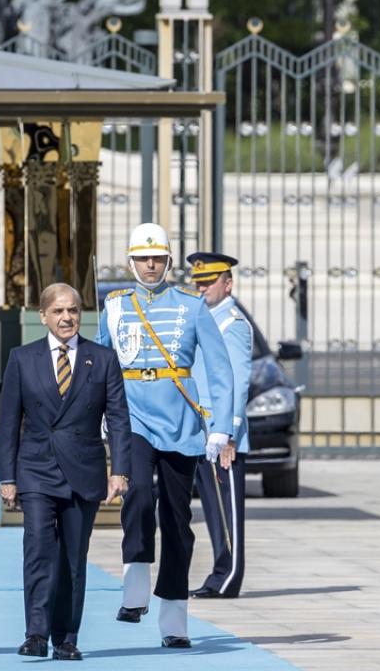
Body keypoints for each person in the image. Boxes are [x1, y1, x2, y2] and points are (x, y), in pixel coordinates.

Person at [99, 223, 233, 647]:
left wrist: (222, 427)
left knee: (177, 521)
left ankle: (174, 620)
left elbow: (220, 368)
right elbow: (100, 363)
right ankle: (135, 588)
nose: (150, 265)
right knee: (137, 495)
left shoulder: (191, 306)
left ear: (169, 261)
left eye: (157, 258)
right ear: (130, 261)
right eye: (142, 258)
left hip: (180, 421)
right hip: (132, 417)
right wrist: (98, 415)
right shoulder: (116, 306)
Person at [0, 283, 132, 660]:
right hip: (37, 469)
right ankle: (36, 634)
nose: (66, 317)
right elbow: (9, 423)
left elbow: (118, 419)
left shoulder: (102, 359)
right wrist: (7, 478)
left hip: (83, 471)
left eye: (72, 310)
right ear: (43, 316)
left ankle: (66, 637)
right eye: (57, 311)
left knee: (73, 559)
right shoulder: (22, 359)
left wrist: (119, 470)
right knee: (39, 551)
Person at [187, 252, 254, 600]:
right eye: (198, 281)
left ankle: (229, 577)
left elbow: (240, 381)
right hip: (202, 429)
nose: (202, 287)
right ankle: (219, 573)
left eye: (209, 281)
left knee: (228, 513)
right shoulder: (205, 319)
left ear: (227, 284)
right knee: (213, 511)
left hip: (221, 433)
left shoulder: (232, 324)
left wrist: (228, 432)